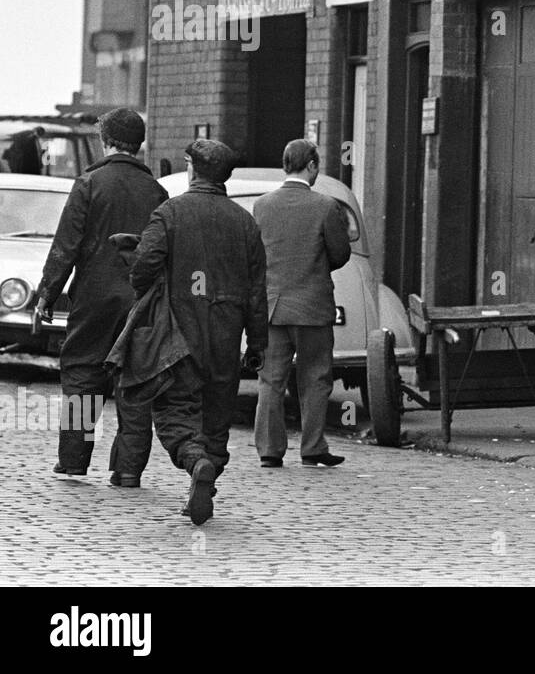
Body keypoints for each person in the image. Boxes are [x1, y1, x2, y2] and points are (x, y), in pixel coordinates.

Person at [129, 139, 268, 525]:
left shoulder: (170, 213)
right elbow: (258, 291)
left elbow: (144, 266)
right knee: (216, 415)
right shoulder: (245, 223)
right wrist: (257, 344)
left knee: (174, 410)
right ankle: (206, 472)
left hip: (178, 336)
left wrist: (146, 286)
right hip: (226, 336)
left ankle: (195, 462)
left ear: (191, 169)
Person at [35, 108, 168, 483]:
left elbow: (67, 245)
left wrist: (48, 293)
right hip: (141, 301)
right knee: (134, 380)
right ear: (138, 145)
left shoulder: (88, 184)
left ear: (105, 141)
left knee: (82, 375)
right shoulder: (156, 191)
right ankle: (127, 470)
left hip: (93, 297)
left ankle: (75, 459)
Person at [252, 140, 351, 469]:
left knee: (270, 380)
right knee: (315, 378)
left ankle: (269, 450)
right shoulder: (326, 206)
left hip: (273, 307)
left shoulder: (262, 205)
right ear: (311, 165)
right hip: (312, 306)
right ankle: (312, 447)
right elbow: (339, 253)